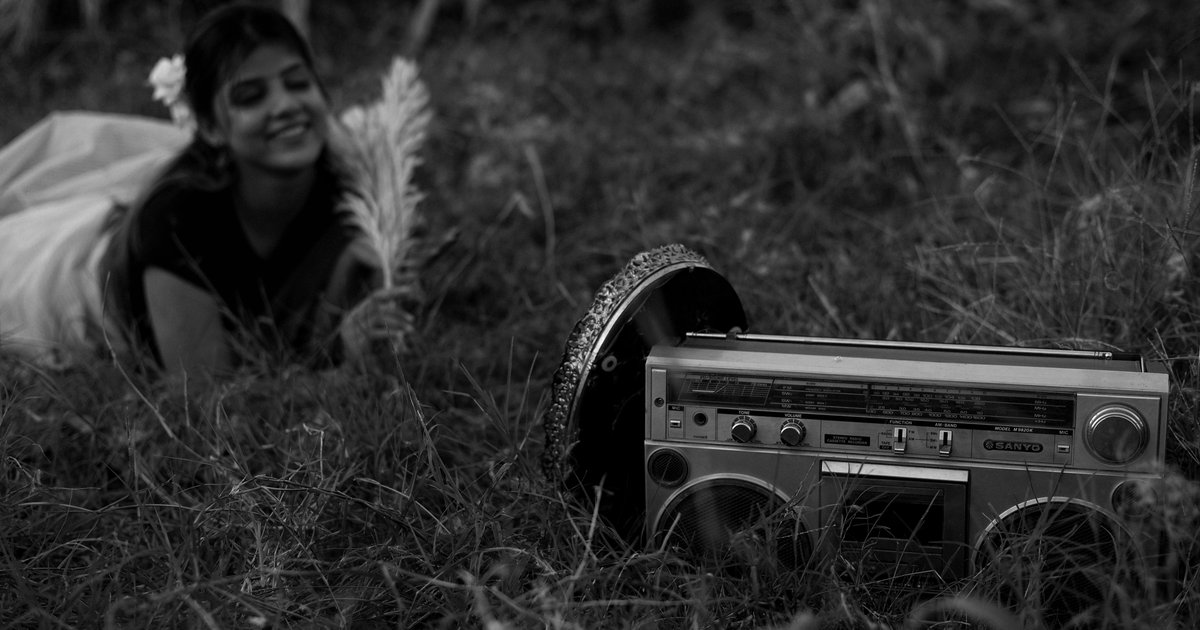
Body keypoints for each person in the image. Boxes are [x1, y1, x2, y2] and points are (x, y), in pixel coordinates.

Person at [0, 3, 414, 380]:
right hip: (66, 287)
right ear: (211, 127)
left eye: (298, 83)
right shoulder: (178, 221)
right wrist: (348, 372)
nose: (286, 104)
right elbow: (208, 401)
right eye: (251, 97)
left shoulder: (351, 191)